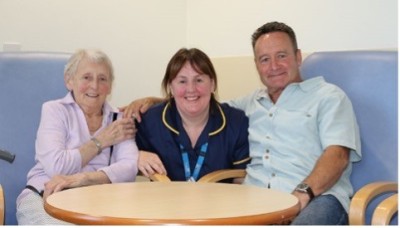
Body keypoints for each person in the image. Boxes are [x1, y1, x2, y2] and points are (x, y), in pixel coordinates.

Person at [122, 22, 361, 225]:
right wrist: (158, 101)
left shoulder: (328, 96)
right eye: (264, 59)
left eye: (282, 56)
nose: (274, 66)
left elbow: (337, 155)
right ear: (256, 65)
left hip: (316, 199)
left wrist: (302, 194)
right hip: (257, 202)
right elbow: (199, 102)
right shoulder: (249, 103)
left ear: (298, 57)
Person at [16, 49, 139, 225]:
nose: (94, 86)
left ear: (110, 86)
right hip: (45, 197)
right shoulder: (54, 110)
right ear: (69, 80)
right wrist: (101, 141)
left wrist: (83, 179)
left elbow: (129, 168)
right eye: (86, 77)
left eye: (102, 79)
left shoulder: (118, 120)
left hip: (100, 204)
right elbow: (56, 166)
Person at [124, 47, 250, 182]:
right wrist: (136, 155)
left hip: (221, 202)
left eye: (199, 80)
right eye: (182, 81)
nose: (191, 89)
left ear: (212, 84)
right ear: (171, 87)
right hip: (164, 202)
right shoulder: (150, 121)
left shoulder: (237, 122)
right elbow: (115, 154)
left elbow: (240, 179)